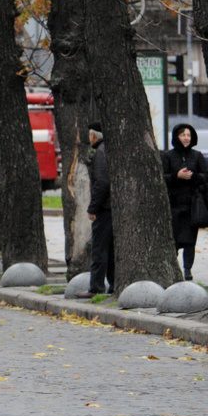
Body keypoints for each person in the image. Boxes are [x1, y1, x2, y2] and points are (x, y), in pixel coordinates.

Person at [162, 123, 208, 281]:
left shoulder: (197, 155)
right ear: (177, 136)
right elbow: (162, 177)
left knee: (190, 241)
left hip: (192, 205)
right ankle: (172, 270)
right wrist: (177, 176)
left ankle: (188, 270)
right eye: (183, 135)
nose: (186, 138)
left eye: (188, 135)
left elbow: (206, 176)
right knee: (173, 239)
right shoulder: (168, 156)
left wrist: (193, 176)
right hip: (174, 205)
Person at [86, 122, 114, 295]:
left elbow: (102, 183)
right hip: (110, 207)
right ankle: (114, 284)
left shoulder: (100, 153)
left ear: (95, 136)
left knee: (99, 249)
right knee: (109, 250)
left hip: (104, 208)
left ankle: (96, 287)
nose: (89, 138)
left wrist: (93, 208)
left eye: (89, 135)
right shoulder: (107, 150)